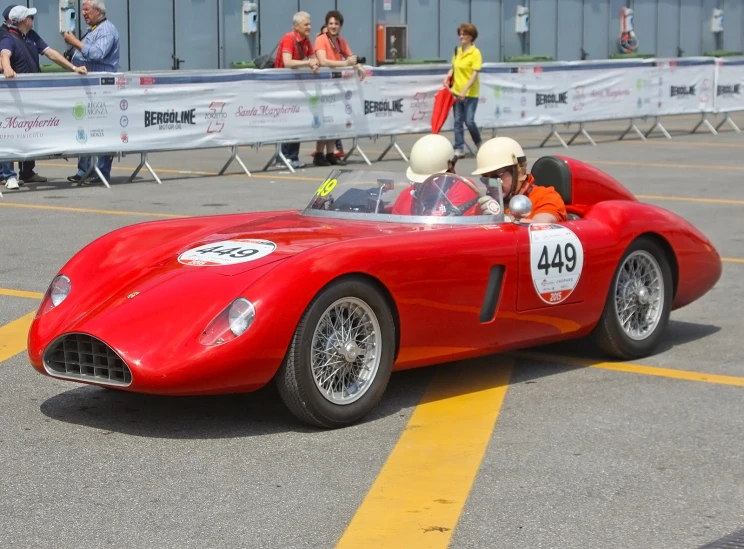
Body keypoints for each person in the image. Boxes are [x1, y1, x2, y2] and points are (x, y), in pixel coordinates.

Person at [0, 5, 86, 188]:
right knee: (11, 134)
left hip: (31, 95)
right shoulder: (9, 37)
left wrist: (73, 68)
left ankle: (27, 171)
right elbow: (4, 54)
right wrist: (7, 67)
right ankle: (9, 175)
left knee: (30, 133)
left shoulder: (31, 36)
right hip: (14, 98)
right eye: (30, 16)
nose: (33, 18)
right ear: (24, 20)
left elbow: (51, 53)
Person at [62, 0, 120, 185]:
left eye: (86, 10)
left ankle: (99, 171)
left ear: (98, 11)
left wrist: (75, 42)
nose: (83, 14)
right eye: (82, 10)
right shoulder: (94, 29)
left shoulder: (106, 30)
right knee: (85, 127)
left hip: (101, 89)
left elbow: (97, 54)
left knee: (100, 129)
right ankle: (84, 170)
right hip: (88, 89)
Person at [312, 10, 365, 167]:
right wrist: (346, 64)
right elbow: (323, 61)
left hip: (337, 85)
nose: (333, 26)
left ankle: (330, 153)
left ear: (340, 26)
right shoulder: (321, 40)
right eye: (330, 24)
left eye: (336, 24)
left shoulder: (341, 41)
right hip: (324, 85)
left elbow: (351, 57)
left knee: (334, 121)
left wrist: (358, 66)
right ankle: (319, 154)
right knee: (325, 120)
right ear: (326, 25)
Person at [472, 137, 567, 223]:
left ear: (517, 171)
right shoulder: (487, 206)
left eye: (496, 177)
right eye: (485, 178)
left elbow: (540, 226)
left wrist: (502, 219)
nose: (490, 184)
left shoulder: (546, 197)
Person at [392, 133, 479, 216]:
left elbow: (453, 228)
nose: (425, 186)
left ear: (449, 172)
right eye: (418, 182)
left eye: (431, 180)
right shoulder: (406, 196)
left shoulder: (463, 188)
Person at [274, 11, 320, 169]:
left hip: (296, 87)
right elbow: (287, 62)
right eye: (306, 24)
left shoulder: (306, 40)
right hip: (284, 87)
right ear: (296, 26)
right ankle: (284, 157)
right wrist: (307, 63)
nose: (309, 27)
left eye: (309, 24)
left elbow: (313, 57)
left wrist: (313, 63)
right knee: (288, 121)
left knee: (297, 120)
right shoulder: (289, 38)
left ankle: (292, 156)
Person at [444, 23, 483, 158]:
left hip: (470, 93)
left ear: (471, 37)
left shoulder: (475, 53)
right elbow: (454, 67)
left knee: (469, 121)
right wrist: (448, 75)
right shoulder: (458, 51)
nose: (461, 37)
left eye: (464, 34)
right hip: (456, 91)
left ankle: (479, 144)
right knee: (458, 121)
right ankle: (459, 147)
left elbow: (474, 74)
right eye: (460, 34)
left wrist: (465, 91)